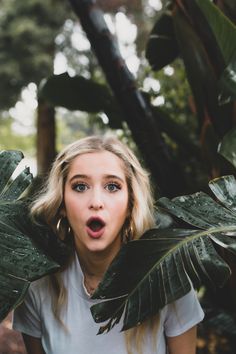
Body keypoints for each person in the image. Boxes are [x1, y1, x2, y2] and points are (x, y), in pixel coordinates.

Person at [13, 135, 204, 354]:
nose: (96, 202)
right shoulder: (37, 285)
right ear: (62, 203)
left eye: (112, 186)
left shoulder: (169, 278)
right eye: (80, 186)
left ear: (131, 202)